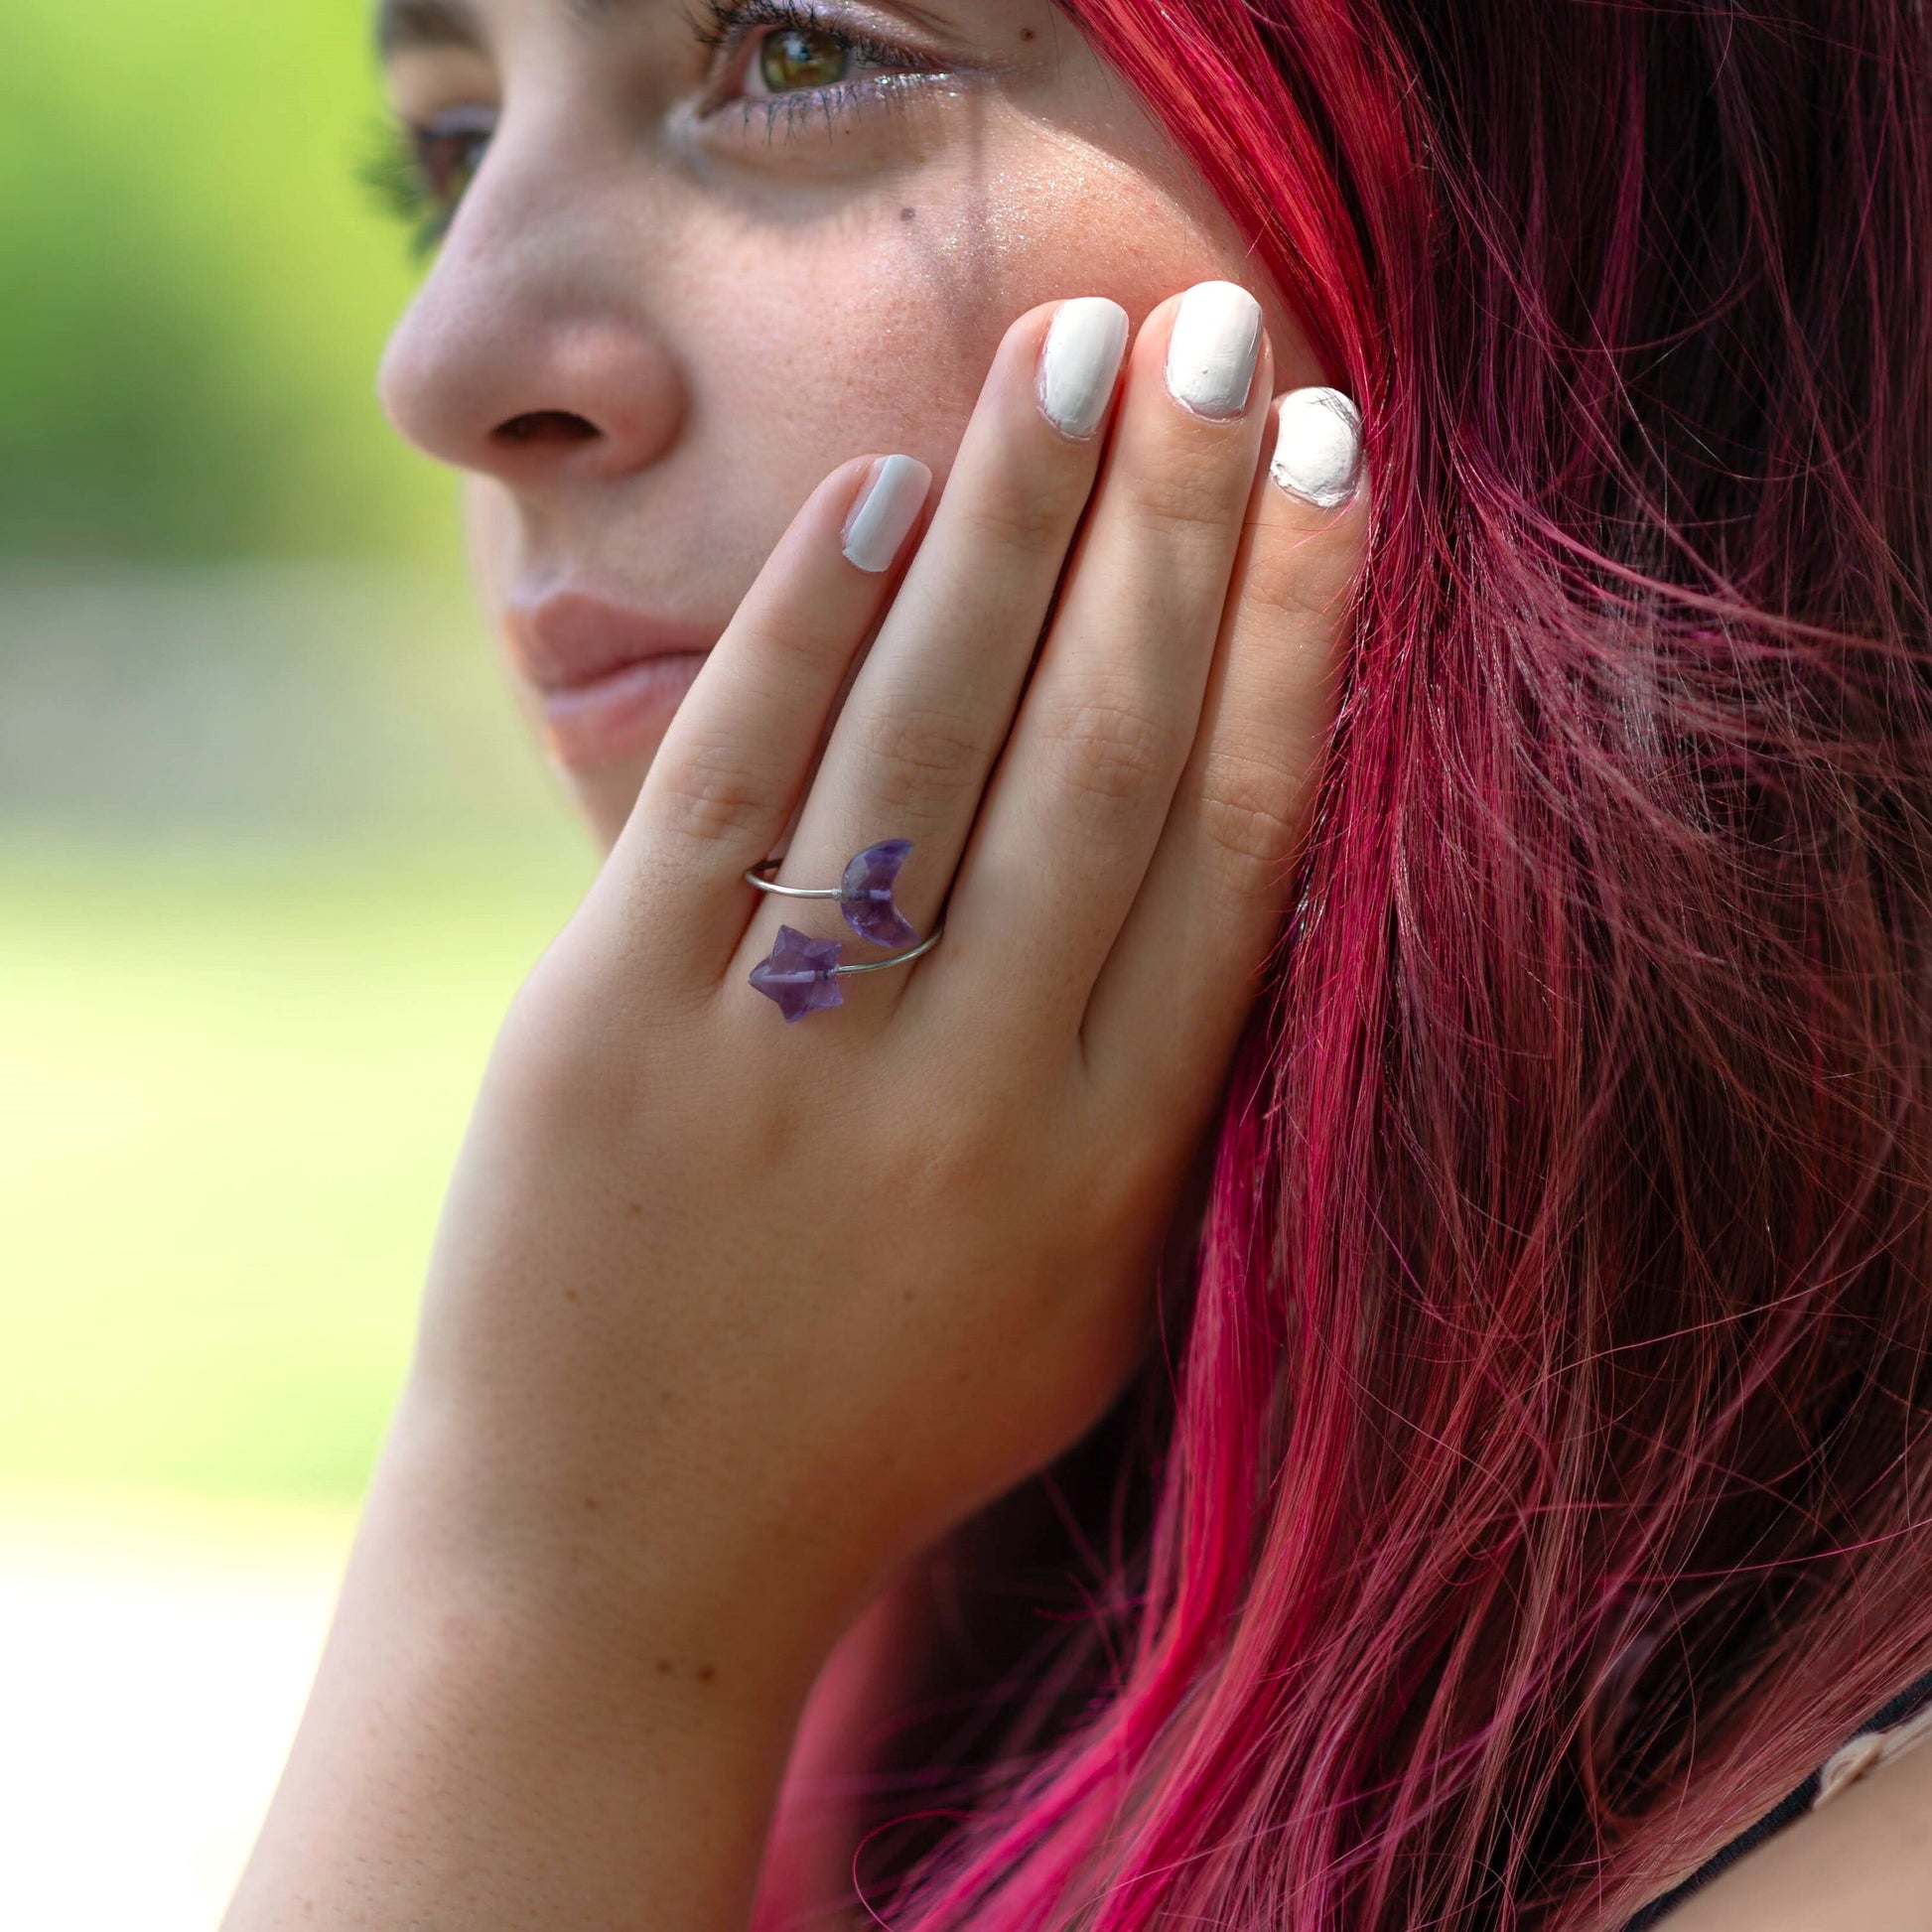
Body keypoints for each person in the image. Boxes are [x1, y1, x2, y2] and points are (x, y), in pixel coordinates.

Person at [224, 1, 1932, 1926]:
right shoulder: (971, 1548)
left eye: (796, 50)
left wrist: (554, 1613)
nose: (442, 357)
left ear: (1575, 186)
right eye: (446, 152)